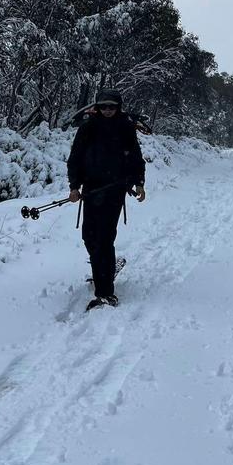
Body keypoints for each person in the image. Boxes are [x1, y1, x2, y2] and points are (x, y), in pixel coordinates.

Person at [67, 89, 146, 310]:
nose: (108, 110)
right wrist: (74, 186)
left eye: (112, 106)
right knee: (89, 237)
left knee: (104, 237)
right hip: (91, 189)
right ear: (97, 107)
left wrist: (139, 182)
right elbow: (75, 158)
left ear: (118, 107)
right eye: (104, 106)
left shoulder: (125, 127)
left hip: (115, 189)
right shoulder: (87, 128)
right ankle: (104, 270)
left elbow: (136, 157)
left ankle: (105, 292)